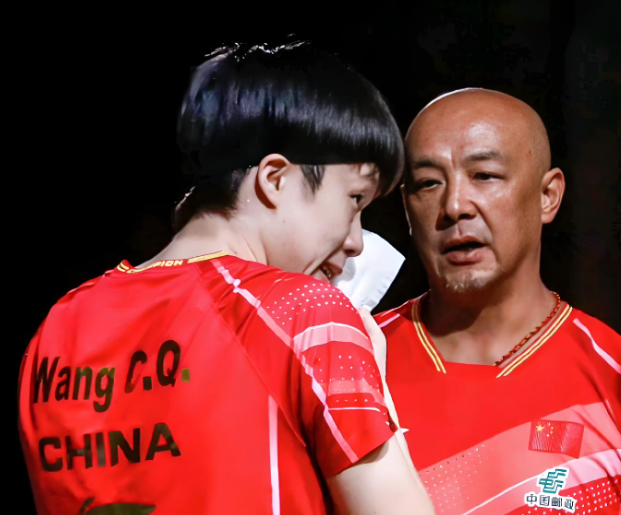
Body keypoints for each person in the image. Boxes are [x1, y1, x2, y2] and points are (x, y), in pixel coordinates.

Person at [18, 41, 434, 515]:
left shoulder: (57, 327)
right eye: (355, 199)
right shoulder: (306, 313)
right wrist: (373, 386)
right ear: (276, 179)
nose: (357, 241)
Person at [375, 88, 621, 514]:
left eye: (484, 175)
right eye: (428, 183)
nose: (453, 206)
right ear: (407, 209)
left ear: (548, 196)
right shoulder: (352, 360)